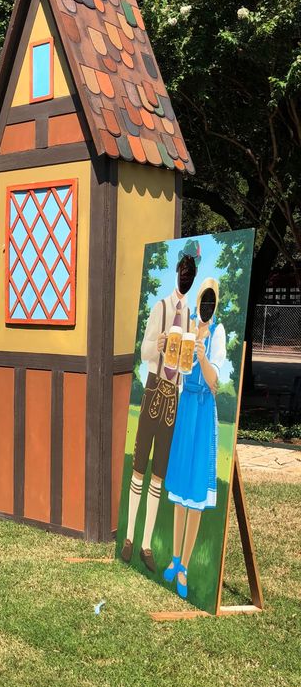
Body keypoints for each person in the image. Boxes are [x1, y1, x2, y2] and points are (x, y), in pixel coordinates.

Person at [121, 239, 201, 572]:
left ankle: (146, 544)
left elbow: (188, 367)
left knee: (158, 474)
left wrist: (191, 356)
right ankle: (127, 537)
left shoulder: (193, 319)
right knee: (139, 465)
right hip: (154, 390)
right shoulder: (161, 308)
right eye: (183, 272)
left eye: (191, 274)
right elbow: (144, 352)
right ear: (176, 273)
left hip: (175, 396)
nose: (186, 278)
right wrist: (162, 343)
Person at [162, 278, 226, 598]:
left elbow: (215, 383)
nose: (206, 307)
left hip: (203, 412)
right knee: (180, 491)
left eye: (212, 302)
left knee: (196, 495)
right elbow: (176, 371)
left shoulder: (218, 334)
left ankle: (185, 567)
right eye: (204, 301)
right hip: (186, 406)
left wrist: (201, 354)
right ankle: (174, 559)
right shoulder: (187, 327)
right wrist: (168, 350)